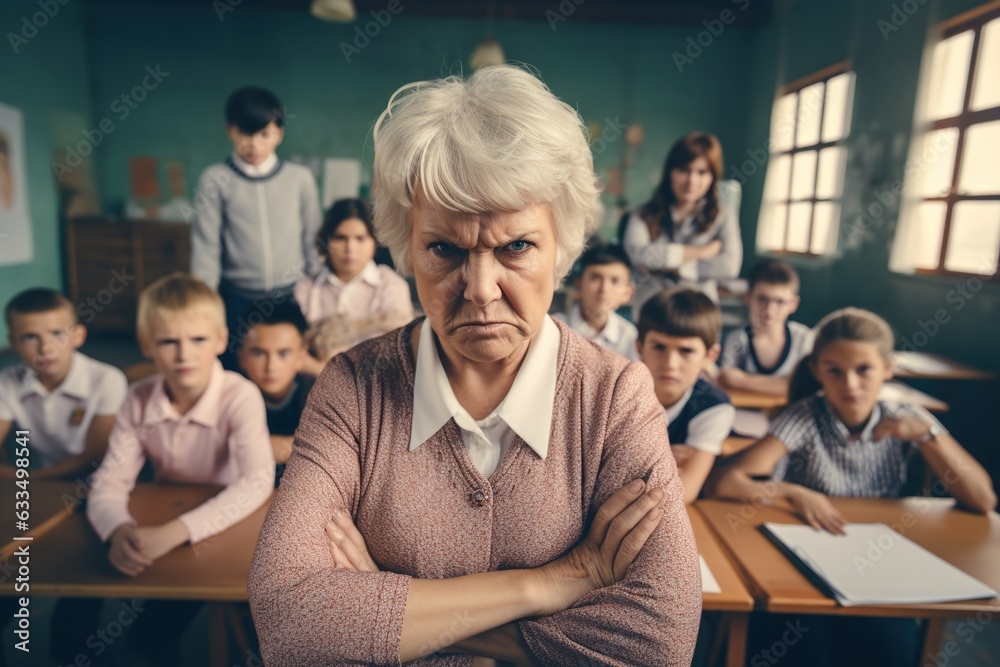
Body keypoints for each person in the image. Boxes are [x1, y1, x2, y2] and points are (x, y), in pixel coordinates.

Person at [248, 64, 701, 666]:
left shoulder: (615, 396)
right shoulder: (352, 388)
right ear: (406, 249)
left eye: (516, 246)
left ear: (561, 246)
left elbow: (658, 644)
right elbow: (288, 622)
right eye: (444, 249)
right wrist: (554, 582)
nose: (481, 289)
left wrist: (391, 609)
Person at [715, 309, 997, 665]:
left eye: (864, 370)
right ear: (817, 370)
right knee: (799, 649)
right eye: (834, 370)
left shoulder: (907, 417)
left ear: (887, 369)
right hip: (806, 557)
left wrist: (928, 436)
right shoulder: (806, 416)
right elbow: (727, 481)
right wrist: (793, 492)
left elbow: (982, 498)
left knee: (890, 651)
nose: (850, 384)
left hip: (878, 561)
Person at [87, 274, 275, 661]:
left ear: (221, 341)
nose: (184, 355)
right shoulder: (138, 398)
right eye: (168, 342)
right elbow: (109, 480)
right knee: (146, 644)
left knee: (262, 640)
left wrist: (172, 533)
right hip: (166, 520)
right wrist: (118, 529)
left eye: (198, 340)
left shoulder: (240, 395)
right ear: (146, 346)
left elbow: (257, 482)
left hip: (229, 522)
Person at [0, 289, 128, 664]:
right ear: (12, 343)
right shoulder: (7, 382)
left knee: (74, 621)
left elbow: (93, 455)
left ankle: (74, 641)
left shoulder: (107, 379)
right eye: (30, 337)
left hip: (101, 486)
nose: (45, 347)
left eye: (57, 333)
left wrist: (21, 478)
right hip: (44, 488)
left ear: (78, 335)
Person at [190, 86, 322, 370]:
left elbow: (312, 236)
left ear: (279, 133)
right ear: (230, 131)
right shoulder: (215, 179)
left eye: (264, 134)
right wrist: (204, 305)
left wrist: (318, 287)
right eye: (245, 134)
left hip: (291, 295)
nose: (254, 144)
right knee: (236, 371)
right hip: (235, 298)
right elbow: (206, 246)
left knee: (283, 372)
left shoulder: (299, 178)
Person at [636, 288, 734, 504]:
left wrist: (632, 460)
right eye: (659, 347)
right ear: (639, 346)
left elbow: (683, 493)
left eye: (686, 351)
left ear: (710, 356)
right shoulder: (618, 395)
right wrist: (664, 458)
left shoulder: (713, 407)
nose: (670, 364)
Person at [623, 132, 742, 308]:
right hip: (651, 308)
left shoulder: (723, 217)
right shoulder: (642, 214)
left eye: (702, 172)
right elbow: (638, 256)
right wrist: (701, 252)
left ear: (713, 177)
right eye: (684, 170)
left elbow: (729, 266)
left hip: (700, 311)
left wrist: (678, 267)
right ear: (670, 172)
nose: (691, 181)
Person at [294, 197, 413, 371]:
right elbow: (297, 354)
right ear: (326, 241)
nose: (350, 248)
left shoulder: (390, 285)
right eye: (341, 238)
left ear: (374, 242)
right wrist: (372, 324)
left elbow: (400, 349)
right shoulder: (306, 289)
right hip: (316, 384)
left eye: (360, 238)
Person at [237, 300, 315, 485]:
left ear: (301, 355)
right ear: (242, 357)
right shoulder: (230, 394)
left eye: (283, 353)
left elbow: (332, 451)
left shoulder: (321, 393)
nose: (271, 367)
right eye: (259, 353)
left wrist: (256, 448)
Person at [718, 260, 812, 397]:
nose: (769, 309)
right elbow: (726, 380)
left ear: (793, 304)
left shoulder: (804, 338)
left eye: (779, 301)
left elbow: (805, 386)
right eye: (762, 299)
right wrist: (782, 384)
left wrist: (743, 380)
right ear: (748, 298)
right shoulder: (738, 339)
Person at [553, 243, 638, 361]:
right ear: (579, 283)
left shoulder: (629, 336)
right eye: (595, 278)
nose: (604, 289)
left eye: (615, 281)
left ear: (628, 292)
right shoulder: (554, 327)